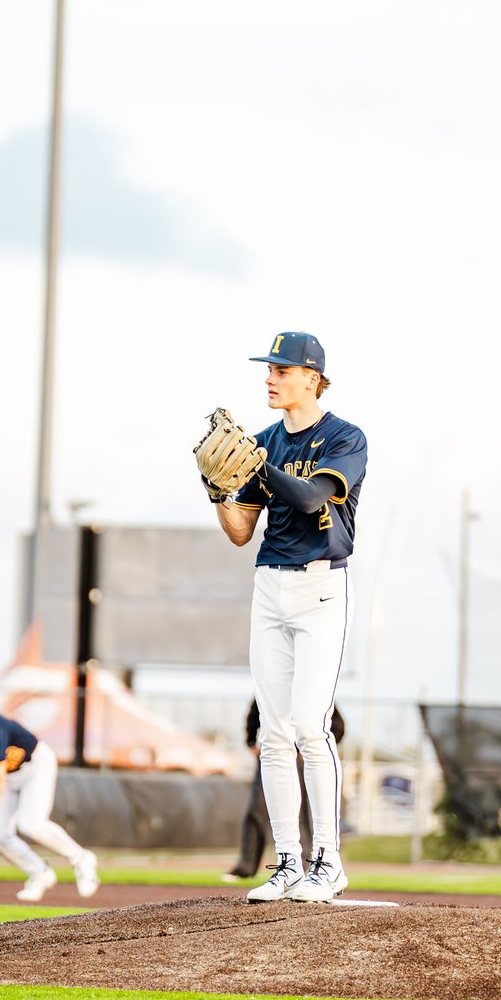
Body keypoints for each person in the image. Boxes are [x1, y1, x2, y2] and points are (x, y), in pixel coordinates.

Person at [206, 331, 367, 903]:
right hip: (270, 585)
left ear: (312, 378)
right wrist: (217, 492)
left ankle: (329, 861)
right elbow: (240, 532)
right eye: (269, 369)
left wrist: (259, 467)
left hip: (321, 587)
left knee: (309, 727)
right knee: (273, 735)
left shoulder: (345, 437)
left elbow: (309, 498)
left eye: (281, 369)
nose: (270, 378)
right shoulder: (263, 442)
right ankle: (288, 863)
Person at [0, 684, 100, 903]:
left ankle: (81, 858)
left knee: (31, 824)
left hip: (36, 764)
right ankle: (39, 872)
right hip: (10, 776)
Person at [223, 699, 346, 881]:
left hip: (300, 760)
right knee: (257, 810)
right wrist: (251, 741)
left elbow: (337, 726)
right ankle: (251, 866)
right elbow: (256, 712)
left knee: (301, 814)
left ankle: (303, 866)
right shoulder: (272, 687)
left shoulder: (311, 690)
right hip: (272, 758)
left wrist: (310, 748)